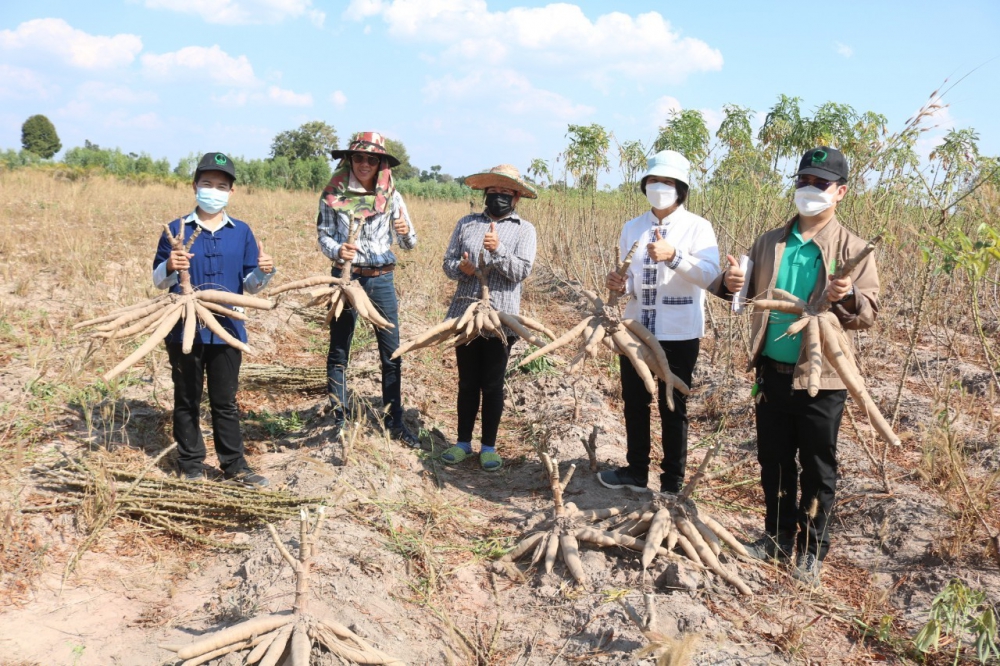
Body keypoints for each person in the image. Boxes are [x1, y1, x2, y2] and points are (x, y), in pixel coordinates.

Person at [713, 146, 880, 587]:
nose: (809, 190)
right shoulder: (770, 241)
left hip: (821, 377)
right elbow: (740, 292)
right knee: (774, 460)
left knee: (819, 464)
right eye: (803, 181)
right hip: (772, 370)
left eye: (820, 183)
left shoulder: (854, 249)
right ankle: (777, 536)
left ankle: (811, 549)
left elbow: (867, 315)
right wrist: (729, 282)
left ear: (840, 192)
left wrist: (846, 295)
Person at [598, 150, 720, 494]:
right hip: (635, 329)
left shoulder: (698, 227)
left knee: (673, 405)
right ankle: (636, 471)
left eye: (667, 181)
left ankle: (672, 482)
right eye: (653, 181)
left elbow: (710, 275)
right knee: (635, 401)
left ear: (680, 188)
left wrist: (675, 256)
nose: (659, 187)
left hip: (679, 333)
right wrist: (620, 286)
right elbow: (633, 282)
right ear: (644, 185)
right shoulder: (632, 227)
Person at [153, 152, 275, 487]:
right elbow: (158, 280)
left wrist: (265, 272)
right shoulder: (176, 229)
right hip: (183, 330)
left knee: (225, 401)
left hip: (228, 329)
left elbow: (249, 284)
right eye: (207, 183)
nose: (213, 190)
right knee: (187, 397)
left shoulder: (242, 232)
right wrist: (171, 266)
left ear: (231, 192)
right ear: (195, 186)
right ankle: (191, 463)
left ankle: (235, 465)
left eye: (221, 185)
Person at [317, 131, 419, 446]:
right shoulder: (333, 194)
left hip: (381, 278)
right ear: (350, 160)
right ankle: (340, 420)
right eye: (358, 157)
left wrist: (403, 232)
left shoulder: (392, 197)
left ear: (381, 163)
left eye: (371, 159)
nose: (364, 163)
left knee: (392, 353)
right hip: (346, 278)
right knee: (339, 350)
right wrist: (338, 251)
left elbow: (410, 243)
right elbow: (323, 235)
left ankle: (394, 422)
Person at [439, 165, 538, 472]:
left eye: (505, 192)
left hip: (500, 318)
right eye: (492, 191)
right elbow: (448, 263)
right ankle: (462, 443)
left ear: (517, 197)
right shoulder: (467, 224)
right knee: (467, 382)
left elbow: (520, 272)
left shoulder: (524, 229)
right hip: (467, 313)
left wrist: (498, 251)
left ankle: (490, 447)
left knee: (493, 384)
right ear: (485, 193)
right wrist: (462, 269)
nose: (497, 197)